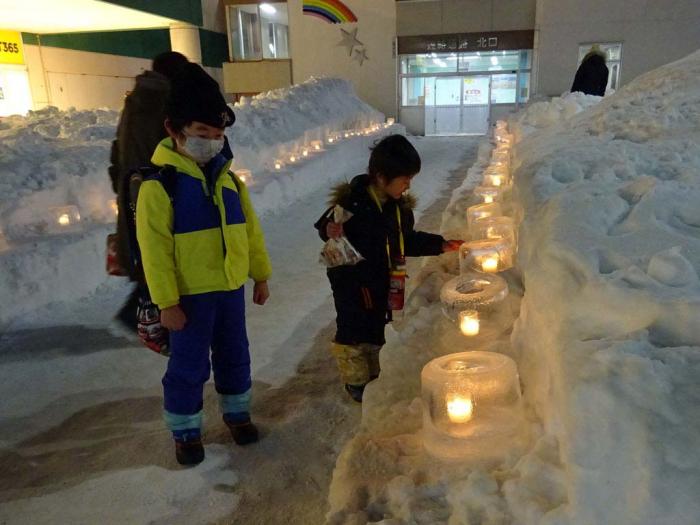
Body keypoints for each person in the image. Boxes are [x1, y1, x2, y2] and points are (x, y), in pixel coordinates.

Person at [136, 63, 272, 466]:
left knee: (235, 354)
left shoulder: (230, 182)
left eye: (217, 136)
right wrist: (166, 302)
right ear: (174, 130)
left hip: (229, 289)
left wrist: (260, 274)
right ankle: (185, 430)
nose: (211, 143)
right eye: (201, 135)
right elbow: (153, 251)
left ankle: (237, 412)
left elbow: (250, 231)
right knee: (188, 365)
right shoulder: (160, 187)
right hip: (189, 298)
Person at [315, 134, 462, 403]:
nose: (407, 186)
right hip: (351, 280)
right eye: (404, 179)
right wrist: (329, 229)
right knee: (352, 326)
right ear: (382, 177)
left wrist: (441, 245)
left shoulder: (398, 209)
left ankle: (374, 368)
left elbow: (406, 240)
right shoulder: (353, 202)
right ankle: (355, 377)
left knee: (377, 323)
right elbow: (324, 226)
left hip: (383, 277)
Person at [108, 51, 189, 332]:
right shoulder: (163, 103)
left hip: (132, 187)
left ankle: (142, 314)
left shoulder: (136, 100)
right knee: (157, 251)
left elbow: (119, 148)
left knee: (147, 250)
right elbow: (170, 149)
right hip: (153, 188)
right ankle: (141, 318)